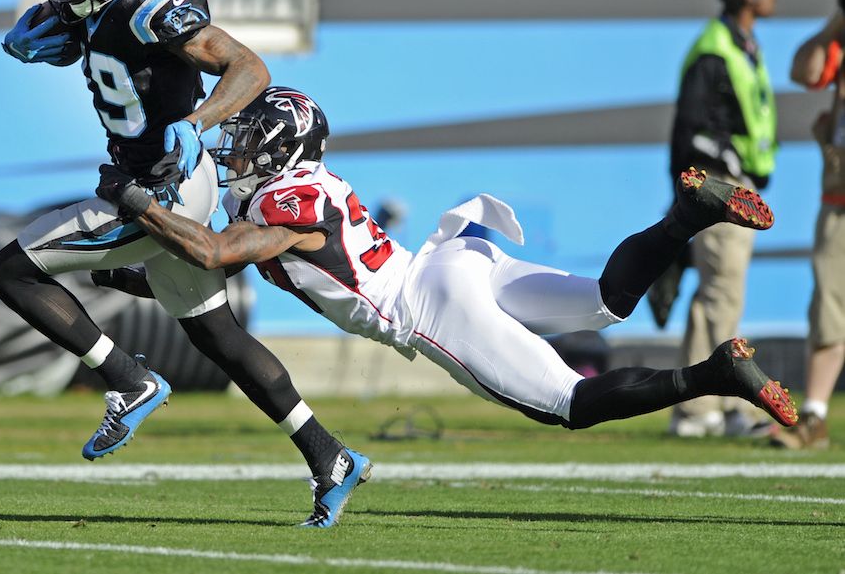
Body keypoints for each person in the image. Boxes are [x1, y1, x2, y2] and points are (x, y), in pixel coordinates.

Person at [93, 86, 798, 445]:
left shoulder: (278, 209)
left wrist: (133, 202)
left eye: (248, 141)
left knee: (571, 405)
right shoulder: (297, 194)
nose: (234, 152)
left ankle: (716, 375)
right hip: (457, 259)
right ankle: (687, 216)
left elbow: (215, 253)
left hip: (428, 306)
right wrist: (124, 276)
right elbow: (215, 272)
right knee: (607, 300)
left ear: (278, 150)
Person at [0, 0, 367, 526]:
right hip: (162, 182)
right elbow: (72, 29)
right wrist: (52, 28)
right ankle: (329, 455)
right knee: (215, 333)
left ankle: (128, 378)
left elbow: (250, 67)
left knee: (13, 271)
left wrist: (197, 123)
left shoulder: (153, 6)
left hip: (159, 190)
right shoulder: (101, 2)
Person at [662, 0, 787, 438]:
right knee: (722, 293)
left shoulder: (742, 45)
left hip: (736, 186)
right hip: (721, 189)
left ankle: (695, 408)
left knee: (712, 297)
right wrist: (728, 171)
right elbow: (690, 132)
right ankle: (721, 405)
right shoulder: (715, 49)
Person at [772, 0, 845, 449]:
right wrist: (837, 21)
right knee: (829, 308)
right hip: (839, 199)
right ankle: (814, 415)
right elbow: (805, 70)